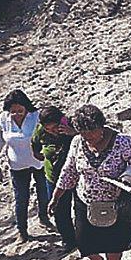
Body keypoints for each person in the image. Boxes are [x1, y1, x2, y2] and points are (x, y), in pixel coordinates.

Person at [51, 104, 131, 260]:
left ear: (101, 126)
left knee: (115, 243)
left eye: (92, 132)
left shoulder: (122, 142)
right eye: (84, 133)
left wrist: (128, 182)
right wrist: (56, 196)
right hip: (85, 201)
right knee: (84, 242)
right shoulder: (77, 142)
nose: (89, 138)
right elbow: (69, 170)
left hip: (116, 202)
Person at [0, 89, 48, 241]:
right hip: (17, 164)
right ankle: (22, 229)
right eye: (13, 111)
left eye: (20, 111)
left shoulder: (36, 117)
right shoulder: (3, 119)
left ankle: (44, 217)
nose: (16, 114)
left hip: (39, 161)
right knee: (21, 197)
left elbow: (48, 132)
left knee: (44, 192)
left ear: (26, 107)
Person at [32, 105, 77, 251]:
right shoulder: (40, 131)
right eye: (48, 129)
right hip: (54, 177)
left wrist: (74, 133)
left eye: (55, 127)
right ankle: (68, 240)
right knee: (59, 210)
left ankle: (84, 236)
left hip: (76, 176)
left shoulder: (71, 124)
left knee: (80, 208)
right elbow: (34, 144)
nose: (52, 131)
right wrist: (40, 156)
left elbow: (90, 140)